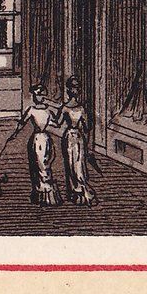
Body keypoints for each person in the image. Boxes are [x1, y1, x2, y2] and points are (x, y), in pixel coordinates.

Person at [9, 82, 61, 206]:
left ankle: (43, 193)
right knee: (43, 165)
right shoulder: (48, 111)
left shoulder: (32, 110)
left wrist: (15, 134)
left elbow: (22, 123)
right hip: (46, 139)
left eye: (35, 95)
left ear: (40, 96)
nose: (33, 97)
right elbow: (56, 124)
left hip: (38, 140)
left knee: (39, 166)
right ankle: (45, 194)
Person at [60, 76, 98, 206]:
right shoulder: (81, 109)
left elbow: (57, 122)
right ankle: (77, 190)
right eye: (74, 87)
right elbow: (87, 127)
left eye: (75, 88)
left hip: (70, 136)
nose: (74, 90)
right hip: (77, 136)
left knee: (73, 163)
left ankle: (76, 191)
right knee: (76, 163)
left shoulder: (65, 108)